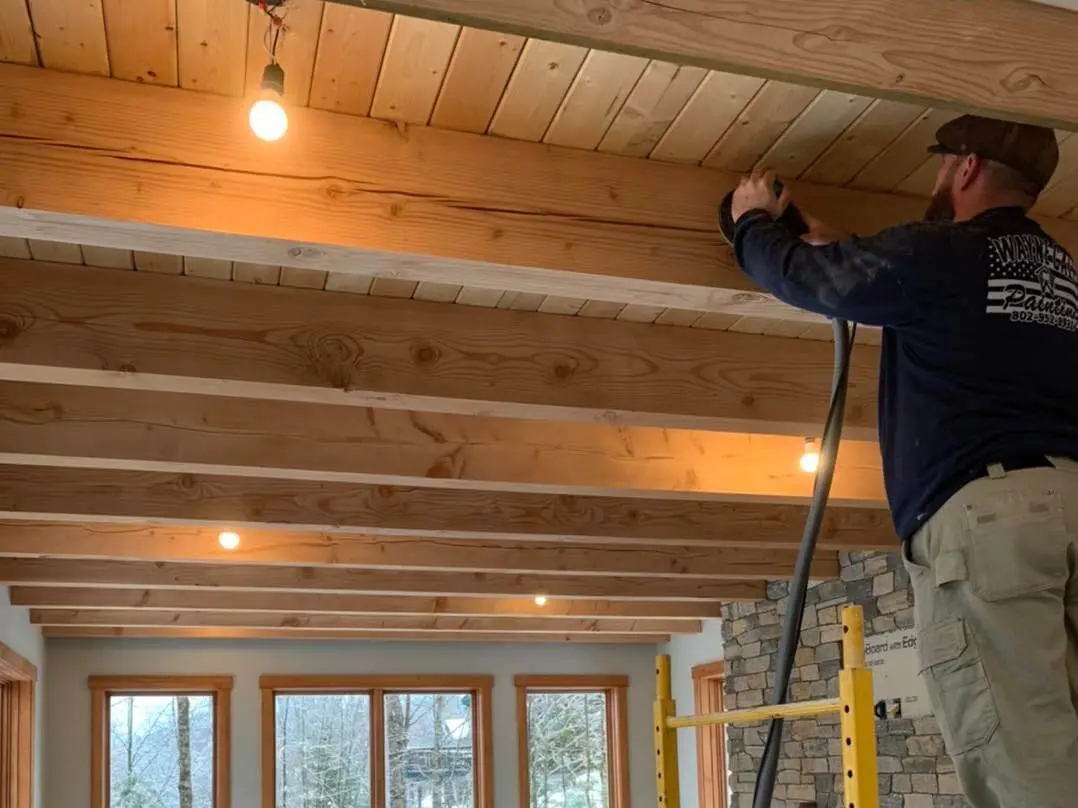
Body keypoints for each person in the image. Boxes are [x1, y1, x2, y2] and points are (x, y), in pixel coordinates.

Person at [729, 115, 1078, 808]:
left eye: (941, 167)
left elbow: (809, 279)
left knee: (1022, 754)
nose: (937, 180)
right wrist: (853, 254)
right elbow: (906, 290)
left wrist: (748, 224)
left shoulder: (943, 253)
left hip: (994, 520)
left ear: (967, 167)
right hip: (1068, 497)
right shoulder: (1059, 272)